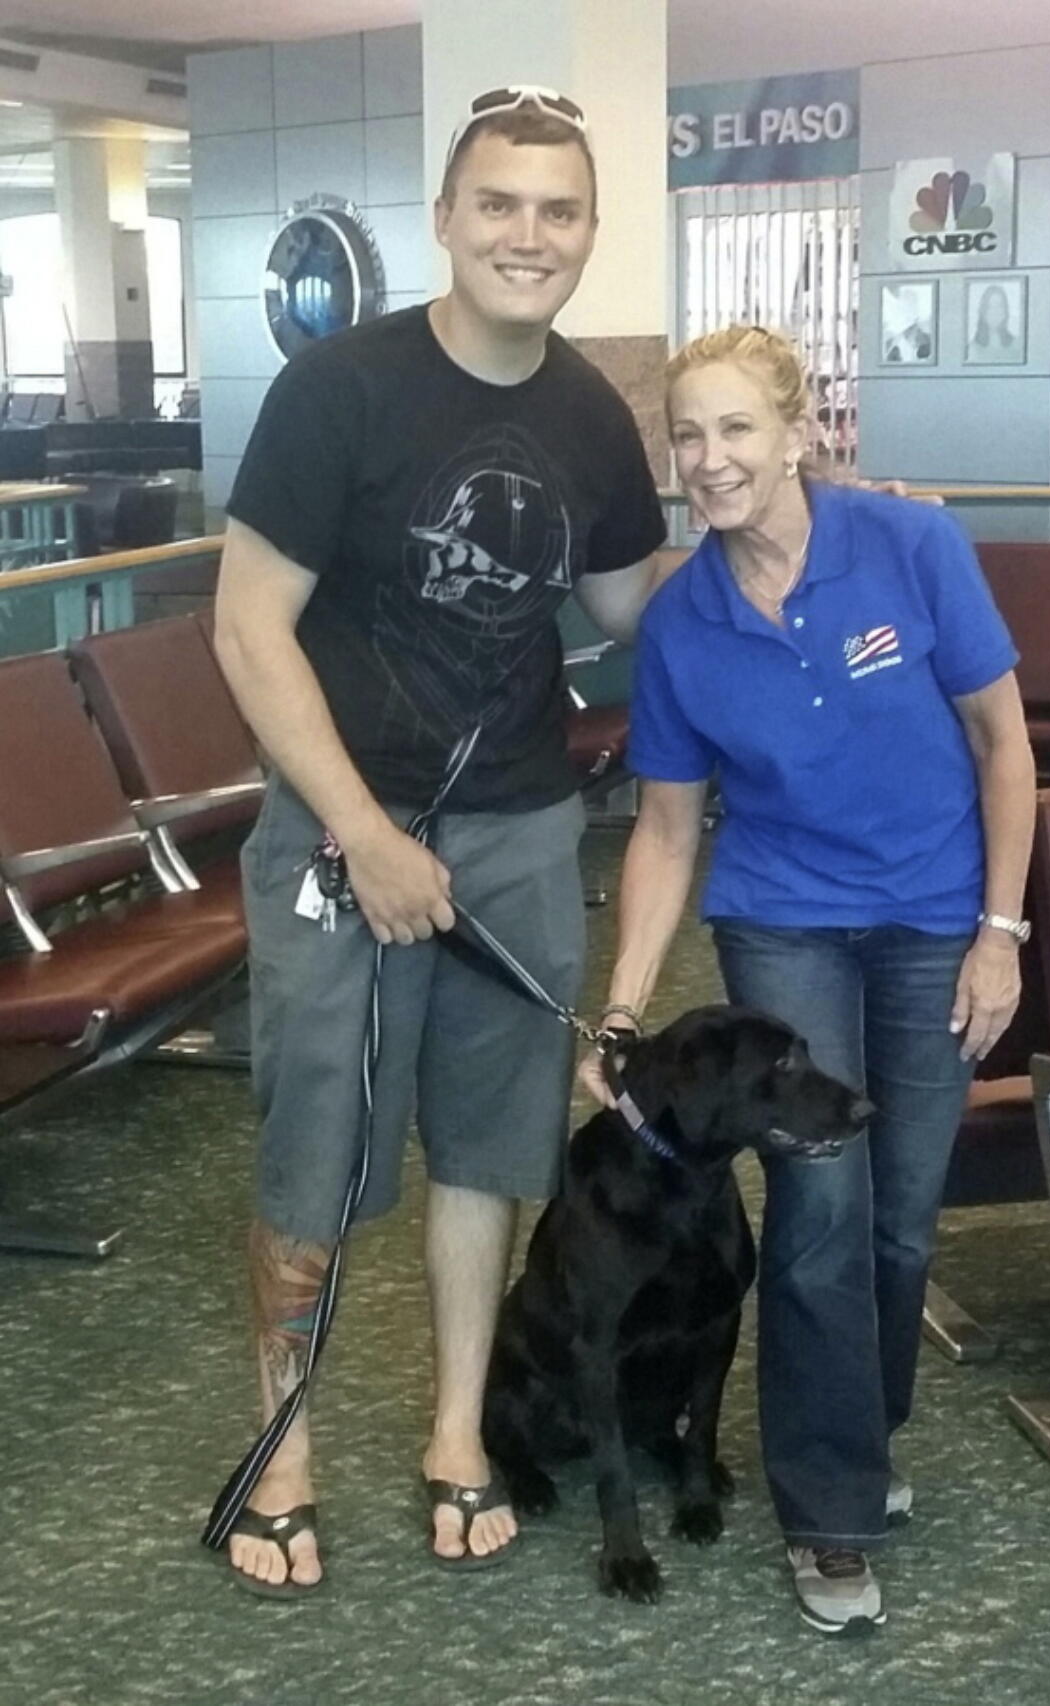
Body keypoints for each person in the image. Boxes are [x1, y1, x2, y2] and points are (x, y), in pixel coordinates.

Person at [212, 86, 668, 1593]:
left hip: (524, 824)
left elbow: (625, 611)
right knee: (313, 1150)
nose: (525, 235)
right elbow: (247, 623)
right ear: (447, 218)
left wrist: (800, 529)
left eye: (556, 211)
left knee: (486, 1149)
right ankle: (280, 1447)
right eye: (498, 205)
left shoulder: (590, 412)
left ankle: (458, 1429)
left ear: (586, 233)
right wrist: (360, 829)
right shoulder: (342, 388)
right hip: (343, 835)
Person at [580, 324, 1036, 1634]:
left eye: (734, 430)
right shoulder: (681, 623)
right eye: (687, 435)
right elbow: (665, 829)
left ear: (799, 433)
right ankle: (826, 1503)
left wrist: (997, 928)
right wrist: (620, 1005)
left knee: (900, 1216)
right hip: (784, 919)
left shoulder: (912, 548)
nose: (709, 459)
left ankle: (859, 1425)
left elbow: (1003, 746)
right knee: (821, 1208)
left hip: (935, 916)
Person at [967, 283, 1018, 363]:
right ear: (983, 311)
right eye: (990, 307)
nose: (995, 311)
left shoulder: (1017, 345)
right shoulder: (972, 349)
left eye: (999, 306)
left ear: (1005, 311)